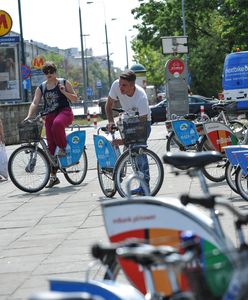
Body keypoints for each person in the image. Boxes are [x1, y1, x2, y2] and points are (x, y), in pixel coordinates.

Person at [25, 61, 77, 188]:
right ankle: (53, 177)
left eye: (51, 71)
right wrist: (29, 115)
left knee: (57, 124)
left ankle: (63, 148)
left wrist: (64, 92)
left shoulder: (64, 82)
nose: (49, 74)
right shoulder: (42, 87)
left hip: (65, 112)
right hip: (49, 115)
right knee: (51, 149)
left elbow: (75, 98)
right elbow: (35, 102)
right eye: (46, 72)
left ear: (55, 72)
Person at [105, 69, 151, 195]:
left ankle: (146, 187)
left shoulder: (141, 98)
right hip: (128, 120)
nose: (120, 88)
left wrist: (124, 141)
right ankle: (141, 185)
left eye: (124, 85)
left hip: (143, 123)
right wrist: (110, 122)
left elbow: (141, 128)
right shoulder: (116, 85)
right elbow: (108, 106)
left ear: (132, 85)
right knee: (131, 155)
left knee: (139, 151)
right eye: (120, 84)